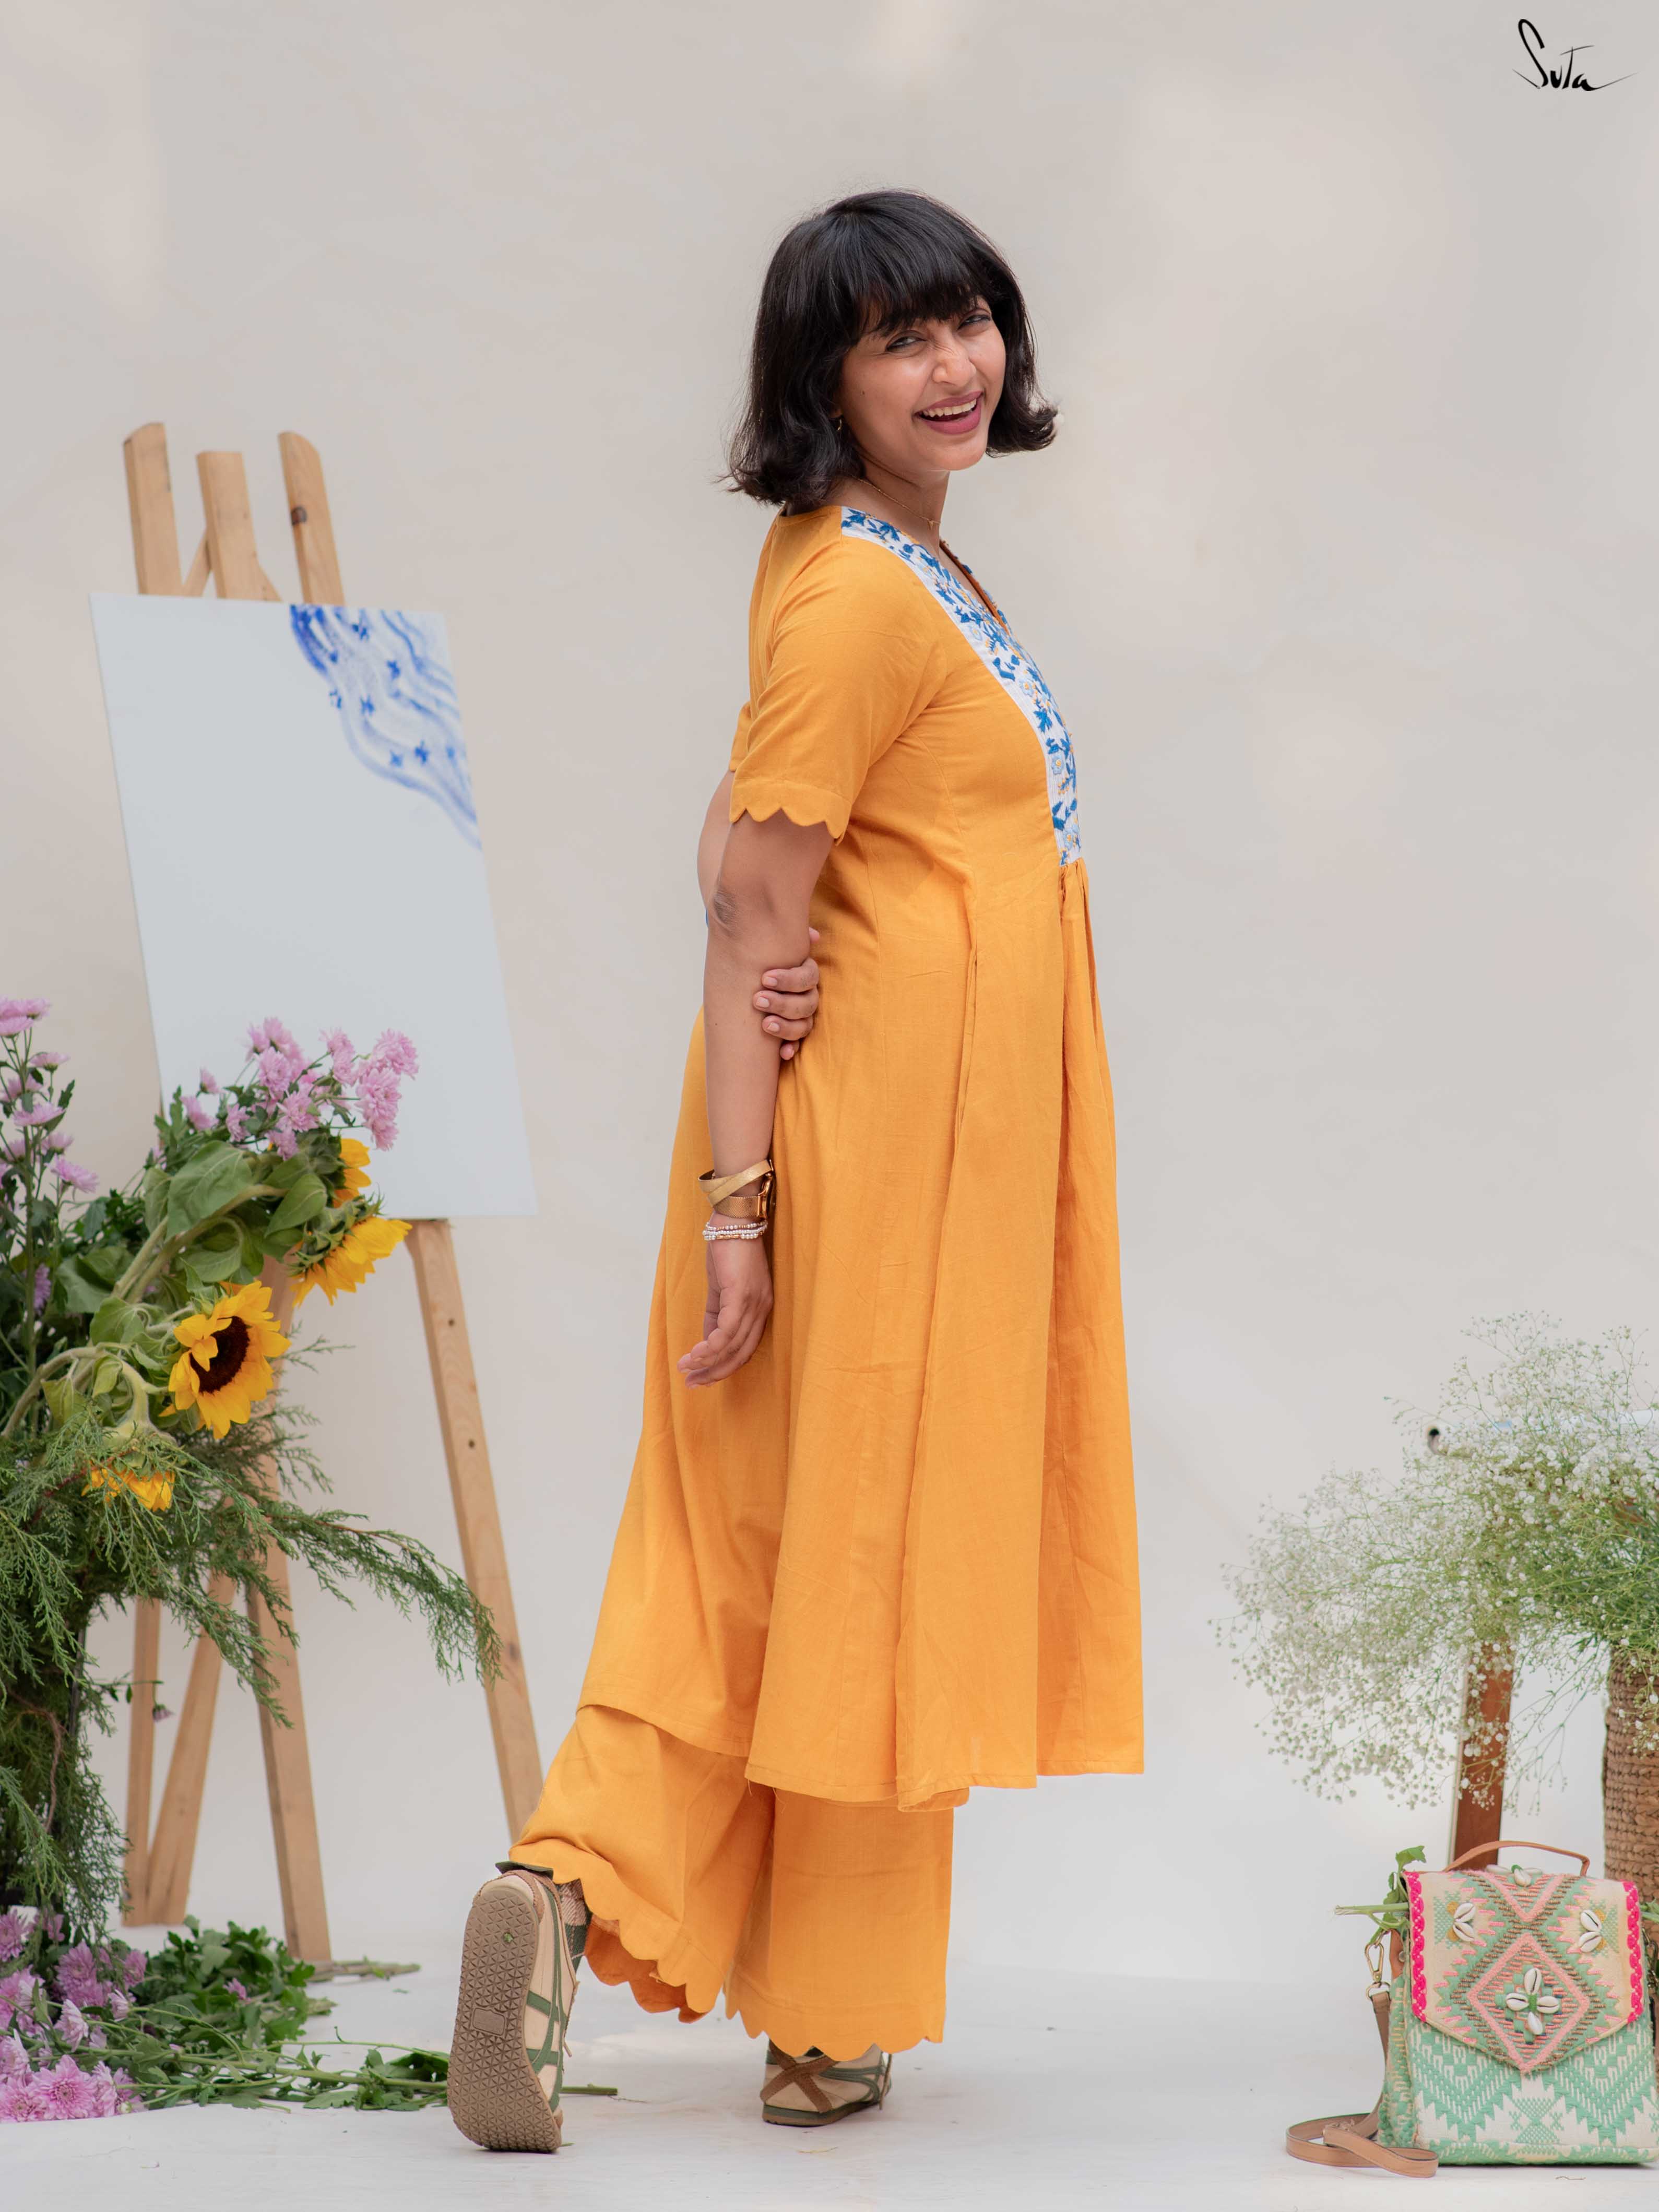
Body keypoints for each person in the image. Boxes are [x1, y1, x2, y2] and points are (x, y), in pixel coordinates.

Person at [446, 187, 1141, 2152]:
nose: (955, 363)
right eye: (898, 338)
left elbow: (744, 841)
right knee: (852, 1559)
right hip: (873, 1162)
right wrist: (738, 1216)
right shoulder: (855, 586)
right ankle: (808, 2005)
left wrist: (781, 934)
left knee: (798, 1558)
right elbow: (754, 894)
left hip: (928, 1148)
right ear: (821, 380)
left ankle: (581, 1895)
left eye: (968, 319)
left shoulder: (886, 563)